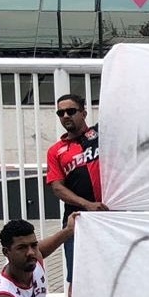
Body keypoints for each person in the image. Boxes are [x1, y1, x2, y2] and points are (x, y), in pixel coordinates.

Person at [44, 94, 105, 283]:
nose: (65, 116)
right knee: (78, 279)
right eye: (60, 113)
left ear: (84, 113)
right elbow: (57, 188)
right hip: (77, 221)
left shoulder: (103, 135)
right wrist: (87, 205)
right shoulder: (56, 151)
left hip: (111, 216)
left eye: (71, 111)